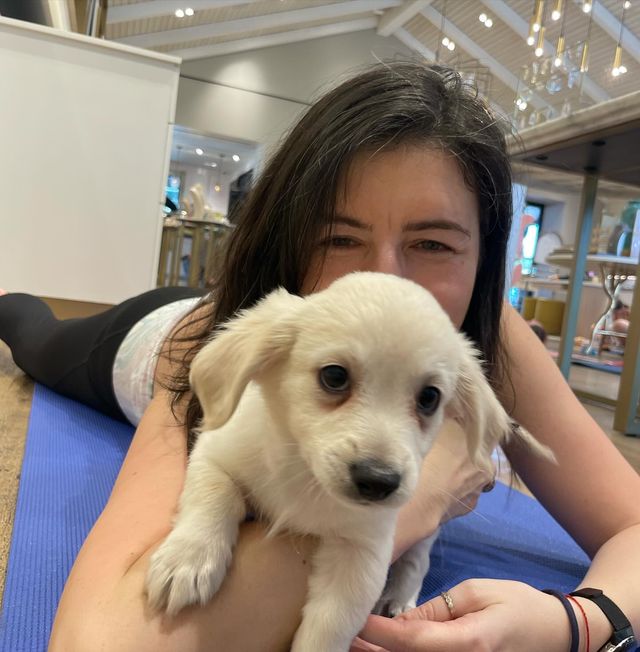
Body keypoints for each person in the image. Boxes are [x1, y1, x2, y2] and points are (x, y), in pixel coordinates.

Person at [1, 61, 638, 652]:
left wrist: (577, 621)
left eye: (434, 243)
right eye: (338, 236)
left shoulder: (472, 340)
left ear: (484, 257)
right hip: (150, 338)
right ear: (289, 234)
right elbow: (101, 639)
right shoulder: (225, 343)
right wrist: (423, 498)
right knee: (34, 334)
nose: (390, 278)